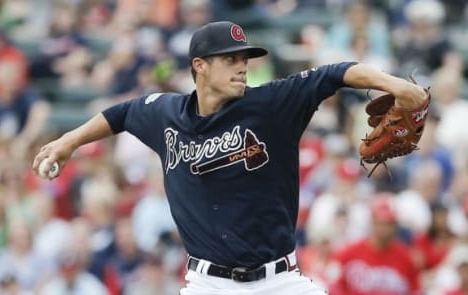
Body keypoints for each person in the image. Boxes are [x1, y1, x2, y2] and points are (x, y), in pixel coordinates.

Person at [33, 21, 427, 295]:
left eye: (244, 58)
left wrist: (392, 84)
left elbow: (336, 73)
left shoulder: (271, 103)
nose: (242, 66)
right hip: (209, 284)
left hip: (279, 281)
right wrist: (68, 141)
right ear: (199, 67)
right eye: (230, 59)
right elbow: (119, 115)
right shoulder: (166, 114)